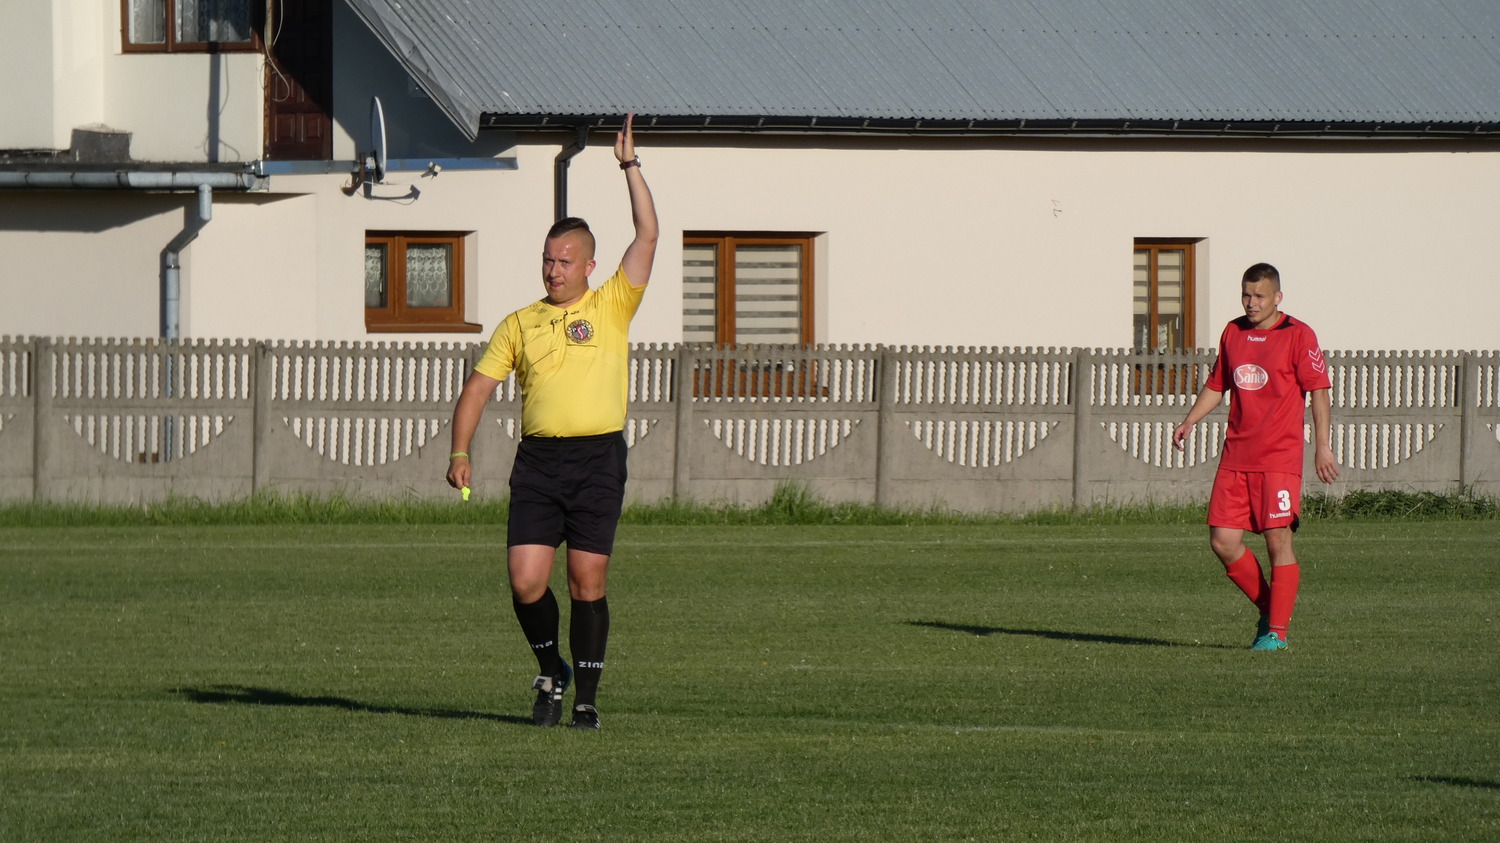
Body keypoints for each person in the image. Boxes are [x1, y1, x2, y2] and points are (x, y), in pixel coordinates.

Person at [446, 114, 657, 728]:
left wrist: (629, 165)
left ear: (588, 266)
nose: (553, 270)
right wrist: (460, 451)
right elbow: (478, 388)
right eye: (547, 260)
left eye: (564, 261)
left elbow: (648, 234)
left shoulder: (612, 304)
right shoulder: (520, 322)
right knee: (525, 582)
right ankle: (552, 671)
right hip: (539, 463)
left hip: (597, 459)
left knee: (587, 580)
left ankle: (586, 701)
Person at [1172, 262, 1339, 651]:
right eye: (1246, 295)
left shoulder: (1299, 335)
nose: (1252, 303)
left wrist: (1322, 445)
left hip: (1279, 458)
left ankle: (1276, 633)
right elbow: (1217, 385)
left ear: (1278, 297)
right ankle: (1271, 609)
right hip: (1236, 456)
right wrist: (1190, 420)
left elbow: (1319, 391)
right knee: (1222, 541)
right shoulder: (1233, 331)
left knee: (1277, 540)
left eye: (1260, 296)